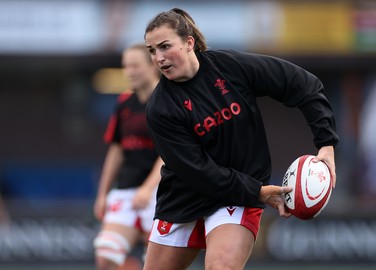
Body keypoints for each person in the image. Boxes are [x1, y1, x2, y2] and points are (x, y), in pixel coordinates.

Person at [144, 8, 339, 270]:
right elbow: (198, 171)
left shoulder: (229, 68)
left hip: (236, 195)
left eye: (165, 46)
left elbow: (302, 83)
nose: (159, 57)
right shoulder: (160, 108)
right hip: (185, 197)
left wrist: (326, 145)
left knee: (221, 267)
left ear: (189, 43)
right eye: (152, 51)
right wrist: (259, 192)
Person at [93, 44, 163, 270]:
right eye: (125, 66)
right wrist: (102, 194)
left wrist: (148, 188)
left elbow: (171, 153)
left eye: (135, 65)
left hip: (161, 192)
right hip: (126, 190)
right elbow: (116, 149)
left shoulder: (167, 101)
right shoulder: (124, 102)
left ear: (153, 66)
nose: (129, 71)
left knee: (158, 263)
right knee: (106, 257)